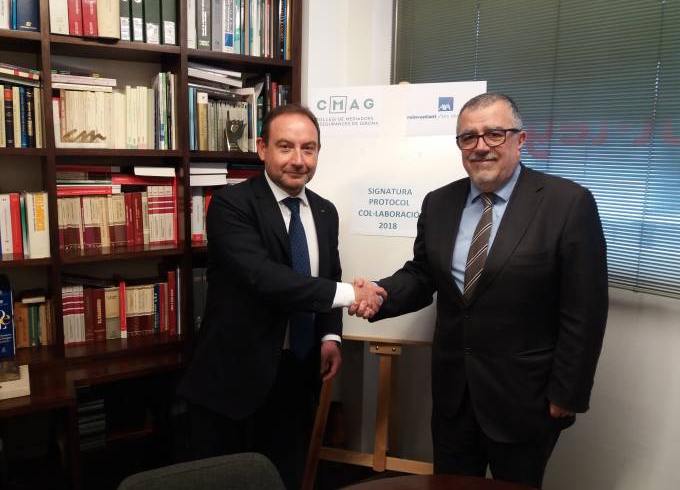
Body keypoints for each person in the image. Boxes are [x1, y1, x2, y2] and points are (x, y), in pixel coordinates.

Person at [351, 93, 608, 488]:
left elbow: (585, 310)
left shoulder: (568, 204)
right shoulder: (439, 203)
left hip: (526, 398)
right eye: (468, 137)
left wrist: (568, 392)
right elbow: (423, 274)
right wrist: (381, 293)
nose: (481, 146)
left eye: (494, 134)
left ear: (520, 140)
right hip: (454, 395)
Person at [178, 104, 385, 489]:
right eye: (285, 146)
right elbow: (265, 278)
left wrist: (330, 336)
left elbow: (329, 275)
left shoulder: (325, 211)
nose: (298, 160)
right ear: (262, 148)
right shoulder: (231, 204)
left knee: (286, 475)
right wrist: (350, 295)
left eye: (309, 148)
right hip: (235, 378)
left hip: (298, 372)